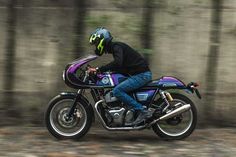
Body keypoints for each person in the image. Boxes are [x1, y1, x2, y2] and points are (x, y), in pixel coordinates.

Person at [88, 27, 152, 125]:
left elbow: (118, 63)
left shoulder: (116, 47)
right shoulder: (116, 49)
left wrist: (98, 70)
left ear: (102, 40)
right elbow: (121, 67)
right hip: (139, 75)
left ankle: (142, 111)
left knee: (117, 91)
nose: (96, 46)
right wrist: (104, 73)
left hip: (142, 75)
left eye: (96, 43)